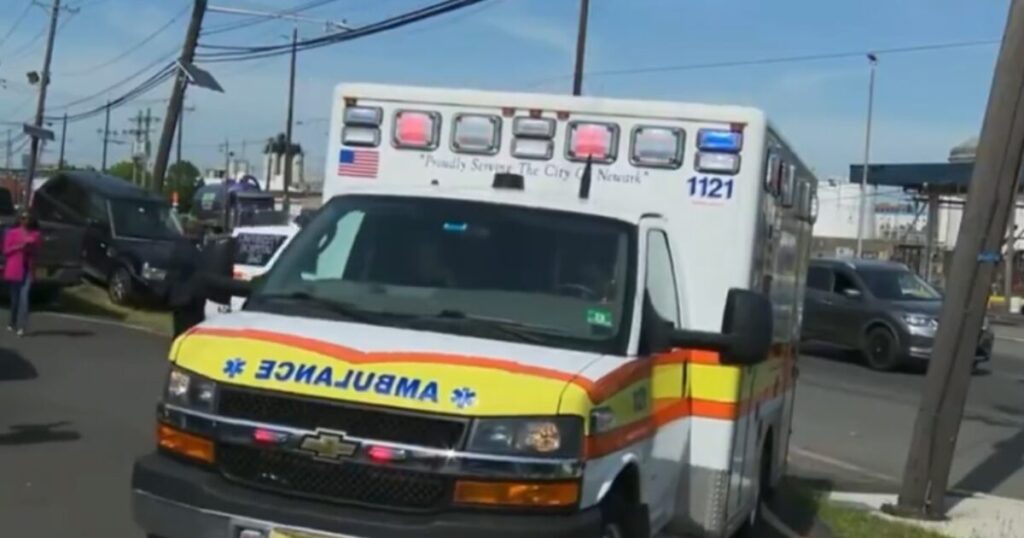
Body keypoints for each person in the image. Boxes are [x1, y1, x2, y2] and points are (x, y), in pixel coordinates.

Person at [4, 213, 41, 336]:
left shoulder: (35, 234)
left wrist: (30, 246)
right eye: (23, 218)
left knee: (24, 298)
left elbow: (37, 249)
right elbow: (6, 250)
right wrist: (19, 246)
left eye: (28, 218)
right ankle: (12, 322)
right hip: (14, 269)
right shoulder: (12, 233)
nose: (26, 221)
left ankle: (22, 326)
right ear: (19, 220)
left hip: (27, 270)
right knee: (15, 299)